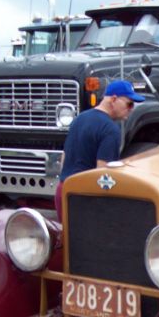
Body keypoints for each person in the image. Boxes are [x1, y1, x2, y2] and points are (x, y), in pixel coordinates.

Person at [55, 80, 144, 218]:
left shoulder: (80, 119)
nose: (132, 109)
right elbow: (102, 175)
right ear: (114, 99)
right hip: (84, 198)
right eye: (129, 104)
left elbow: (64, 158)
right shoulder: (110, 130)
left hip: (63, 190)